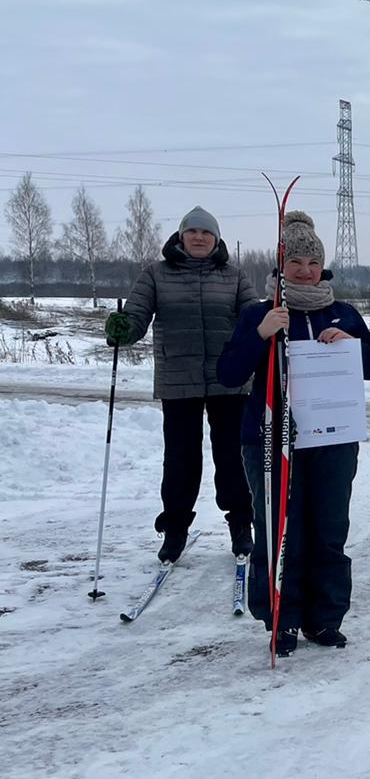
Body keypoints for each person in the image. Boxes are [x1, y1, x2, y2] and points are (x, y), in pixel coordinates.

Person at [218, 211, 370, 655]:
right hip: (270, 440)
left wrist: (352, 344)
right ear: (281, 265)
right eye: (296, 263)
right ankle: (282, 618)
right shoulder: (260, 313)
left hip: (333, 439)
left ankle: (324, 618)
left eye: (313, 262)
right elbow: (229, 373)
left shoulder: (343, 313)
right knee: (279, 531)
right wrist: (260, 334)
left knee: (329, 529)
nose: (306, 271)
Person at [103, 206, 257, 564]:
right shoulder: (156, 274)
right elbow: (137, 316)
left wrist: (272, 324)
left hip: (229, 379)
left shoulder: (234, 276)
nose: (200, 238)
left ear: (216, 239)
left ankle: (241, 526)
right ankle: (174, 531)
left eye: (207, 233)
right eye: (193, 233)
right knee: (180, 459)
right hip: (178, 379)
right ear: (181, 237)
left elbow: (252, 317)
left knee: (233, 458)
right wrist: (122, 328)